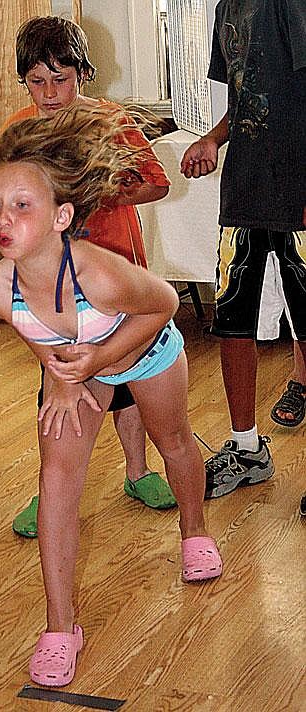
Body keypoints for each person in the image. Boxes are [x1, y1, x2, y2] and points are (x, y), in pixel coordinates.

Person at [0, 105, 223, 687]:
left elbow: (163, 303)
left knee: (174, 444)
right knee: (56, 486)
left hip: (145, 350)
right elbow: (33, 329)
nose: (2, 219)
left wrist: (101, 359)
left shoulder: (100, 274)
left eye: (21, 205)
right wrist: (61, 375)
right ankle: (61, 626)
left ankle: (194, 531)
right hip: (79, 365)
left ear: (63, 215)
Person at [4, 16, 176, 538]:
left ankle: (137, 470)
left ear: (84, 72)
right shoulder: (20, 131)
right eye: (38, 81)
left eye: (62, 78)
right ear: (24, 81)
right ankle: (51, 486)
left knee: (125, 377)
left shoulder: (111, 120)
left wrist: (104, 196)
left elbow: (158, 185)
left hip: (118, 275)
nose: (50, 93)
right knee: (56, 380)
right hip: (51, 284)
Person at [180, 0, 306, 499]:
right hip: (245, 193)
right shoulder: (226, 8)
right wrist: (212, 139)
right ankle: (246, 447)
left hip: (297, 195)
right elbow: (247, 99)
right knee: (232, 321)